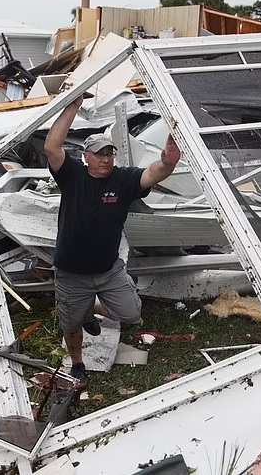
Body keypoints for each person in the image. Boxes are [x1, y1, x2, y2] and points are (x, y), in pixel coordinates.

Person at [45, 94, 180, 388]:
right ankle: (78, 363)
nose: (105, 159)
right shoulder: (72, 177)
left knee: (131, 314)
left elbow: (152, 173)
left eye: (109, 154)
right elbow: (51, 147)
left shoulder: (123, 180)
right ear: (86, 156)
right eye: (99, 154)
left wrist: (167, 164)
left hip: (108, 271)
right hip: (71, 273)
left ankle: (89, 309)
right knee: (70, 324)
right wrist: (73, 106)